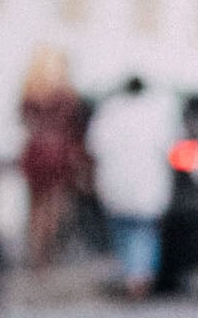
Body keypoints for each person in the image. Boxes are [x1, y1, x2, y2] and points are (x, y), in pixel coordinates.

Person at [86, 73, 178, 298]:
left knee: (125, 231)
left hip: (116, 181)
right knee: (144, 231)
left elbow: (94, 144)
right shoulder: (157, 112)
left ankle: (131, 274)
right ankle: (140, 276)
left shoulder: (110, 111)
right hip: (148, 182)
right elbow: (172, 147)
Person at [18, 46, 89, 270]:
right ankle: (46, 255)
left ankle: (37, 254)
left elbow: (24, 121)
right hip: (58, 154)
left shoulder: (31, 91)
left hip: (35, 152)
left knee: (36, 208)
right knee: (54, 208)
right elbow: (74, 126)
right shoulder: (65, 94)